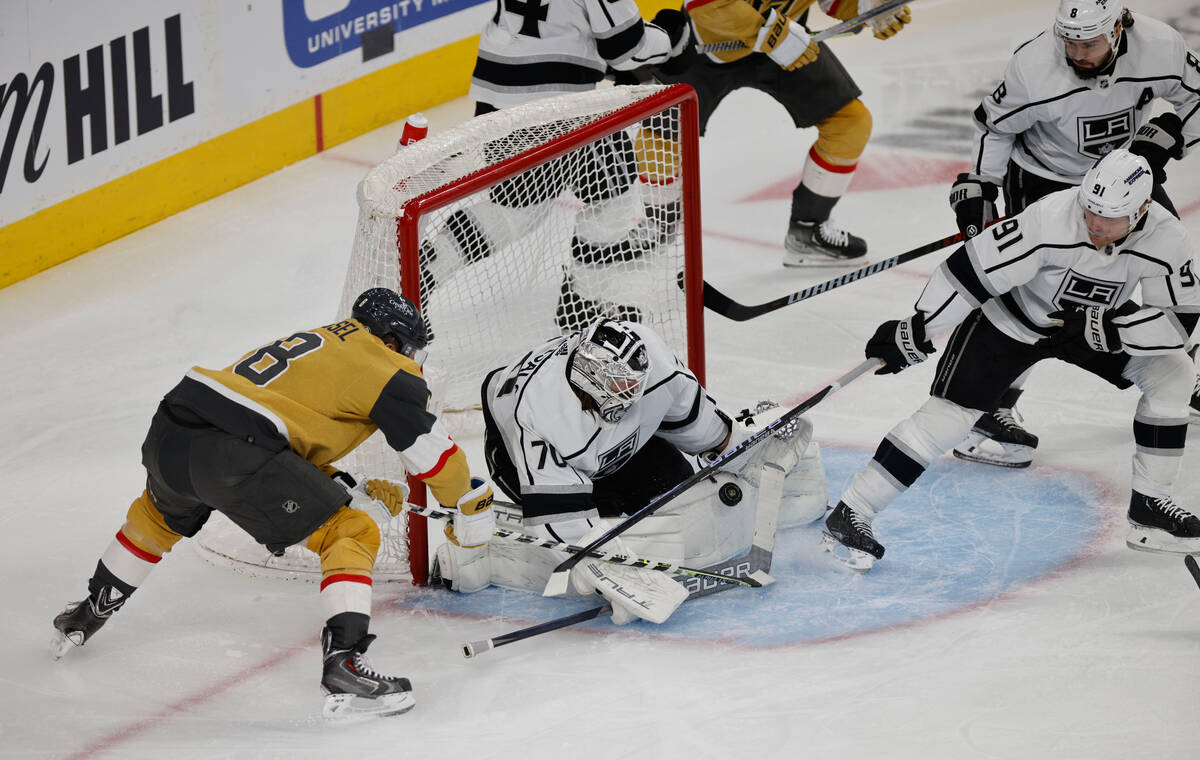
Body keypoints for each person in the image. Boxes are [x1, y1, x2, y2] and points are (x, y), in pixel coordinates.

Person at [51, 288, 496, 720]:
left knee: (155, 518)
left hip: (174, 426)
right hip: (233, 451)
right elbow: (433, 457)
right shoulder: (384, 364)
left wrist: (340, 487)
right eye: (411, 350)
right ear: (392, 341)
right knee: (352, 531)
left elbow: (281, 434)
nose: (412, 362)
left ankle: (87, 613)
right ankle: (344, 665)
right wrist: (466, 504)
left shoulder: (324, 343)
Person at [822, 150, 1200, 574]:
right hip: (1011, 322)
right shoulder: (1051, 217)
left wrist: (1116, 331)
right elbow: (969, 270)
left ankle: (1149, 506)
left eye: (1110, 218)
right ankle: (852, 510)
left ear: (1143, 209)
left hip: (1090, 327)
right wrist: (918, 327)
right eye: (1090, 209)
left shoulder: (1169, 238)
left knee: (1175, 372)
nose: (1095, 224)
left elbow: (1180, 320)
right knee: (948, 416)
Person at [432, 317, 827, 623]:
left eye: (628, 392)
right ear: (584, 382)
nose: (622, 401)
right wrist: (604, 573)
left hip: (617, 450)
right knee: (582, 558)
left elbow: (704, 430)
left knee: (678, 509)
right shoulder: (539, 409)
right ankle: (488, 557)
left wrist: (746, 456)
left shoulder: (656, 368)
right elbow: (561, 528)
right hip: (517, 454)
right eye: (608, 395)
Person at [946, 0, 1200, 467]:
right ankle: (990, 406)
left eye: (1090, 43)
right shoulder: (1032, 67)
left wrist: (1174, 135)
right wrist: (983, 184)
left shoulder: (1161, 47)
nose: (1078, 53)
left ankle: (1177, 368)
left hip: (1123, 180)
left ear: (1119, 31)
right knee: (1033, 294)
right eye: (1070, 42)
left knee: (1165, 262)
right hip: (1046, 177)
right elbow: (994, 127)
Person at [417, 0, 694, 333]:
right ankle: (586, 303)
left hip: (498, 91)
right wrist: (670, 41)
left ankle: (430, 268)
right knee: (614, 195)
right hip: (560, 105)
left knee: (517, 211)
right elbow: (627, 48)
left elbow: (564, 29)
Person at [647, 0, 912, 266]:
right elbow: (707, 6)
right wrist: (775, 35)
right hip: (707, 44)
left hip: (781, 41)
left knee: (850, 122)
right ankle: (658, 223)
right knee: (660, 132)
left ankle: (806, 231)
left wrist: (868, 9)